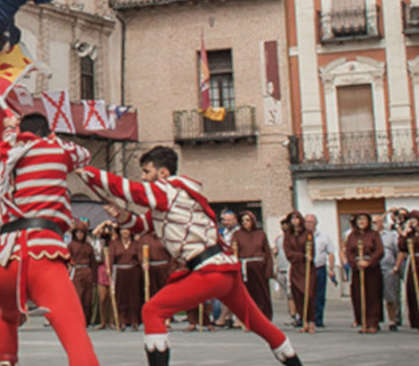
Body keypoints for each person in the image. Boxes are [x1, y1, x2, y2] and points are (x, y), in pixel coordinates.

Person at [79, 146, 301, 366]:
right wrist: (120, 214)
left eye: (147, 172)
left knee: (152, 311)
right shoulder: (172, 197)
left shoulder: (168, 190)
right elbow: (142, 225)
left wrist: (90, 171)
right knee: (257, 323)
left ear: (163, 173)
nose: (144, 178)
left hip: (209, 270)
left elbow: (129, 190)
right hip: (221, 269)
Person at [0, 113, 98, 366]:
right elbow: (83, 155)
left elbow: (7, 142)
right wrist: (49, 136)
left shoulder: (3, 152)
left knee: (7, 318)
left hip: (3, 260)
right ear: (47, 132)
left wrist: (9, 129)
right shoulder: (55, 148)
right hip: (42, 252)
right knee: (75, 336)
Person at [345, 212, 384, 334]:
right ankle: (363, 321)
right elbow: (348, 252)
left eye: (363, 219)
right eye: (359, 219)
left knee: (372, 295)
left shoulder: (374, 235)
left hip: (371, 270)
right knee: (358, 295)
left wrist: (369, 262)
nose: (361, 221)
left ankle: (373, 322)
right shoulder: (352, 236)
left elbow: (379, 251)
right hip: (358, 269)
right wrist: (356, 263)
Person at [235, 211, 275, 323]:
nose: (245, 223)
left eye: (247, 220)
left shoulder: (260, 234)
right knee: (248, 295)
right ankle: (250, 320)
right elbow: (234, 251)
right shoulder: (237, 234)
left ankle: (264, 318)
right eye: (243, 220)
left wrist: (269, 269)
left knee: (262, 294)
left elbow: (267, 253)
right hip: (245, 267)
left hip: (259, 267)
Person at [283, 212, 317, 334]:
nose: (295, 220)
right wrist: (301, 256)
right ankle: (304, 321)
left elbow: (311, 249)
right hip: (296, 268)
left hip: (307, 268)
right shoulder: (288, 235)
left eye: (297, 218)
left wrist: (309, 256)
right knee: (297, 295)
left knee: (309, 294)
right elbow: (288, 252)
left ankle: (312, 321)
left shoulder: (307, 233)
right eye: (292, 218)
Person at [304, 215, 336, 328]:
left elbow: (330, 252)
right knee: (305, 294)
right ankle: (305, 318)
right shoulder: (302, 237)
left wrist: (331, 268)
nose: (308, 224)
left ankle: (317, 318)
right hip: (305, 269)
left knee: (319, 294)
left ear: (316, 223)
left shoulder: (324, 237)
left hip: (319, 268)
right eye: (306, 222)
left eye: (311, 222)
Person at [111, 226, 142, 332]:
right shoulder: (114, 243)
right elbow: (110, 257)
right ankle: (121, 321)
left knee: (135, 297)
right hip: (120, 272)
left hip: (134, 272)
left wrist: (144, 264)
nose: (125, 231)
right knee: (121, 297)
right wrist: (109, 270)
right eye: (123, 229)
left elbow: (140, 257)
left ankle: (134, 321)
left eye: (127, 229)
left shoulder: (136, 244)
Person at [68, 221, 97, 331]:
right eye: (78, 232)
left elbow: (93, 262)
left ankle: (86, 320)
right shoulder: (71, 246)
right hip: (76, 271)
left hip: (87, 271)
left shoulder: (88, 246)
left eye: (82, 233)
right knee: (78, 297)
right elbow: (67, 260)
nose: (80, 235)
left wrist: (94, 278)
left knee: (88, 298)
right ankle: (76, 320)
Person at [376, 211, 402, 331]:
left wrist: (396, 267)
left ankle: (392, 320)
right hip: (374, 268)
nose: (374, 224)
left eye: (376, 222)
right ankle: (375, 320)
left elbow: (400, 251)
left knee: (390, 295)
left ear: (382, 223)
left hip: (388, 268)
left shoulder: (391, 235)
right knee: (374, 296)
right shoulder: (370, 235)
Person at [92, 222, 116, 330]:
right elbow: (94, 233)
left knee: (112, 298)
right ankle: (102, 321)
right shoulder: (100, 242)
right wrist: (103, 224)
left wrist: (113, 227)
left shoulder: (115, 242)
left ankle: (111, 321)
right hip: (102, 269)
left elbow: (117, 233)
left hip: (112, 269)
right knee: (103, 298)